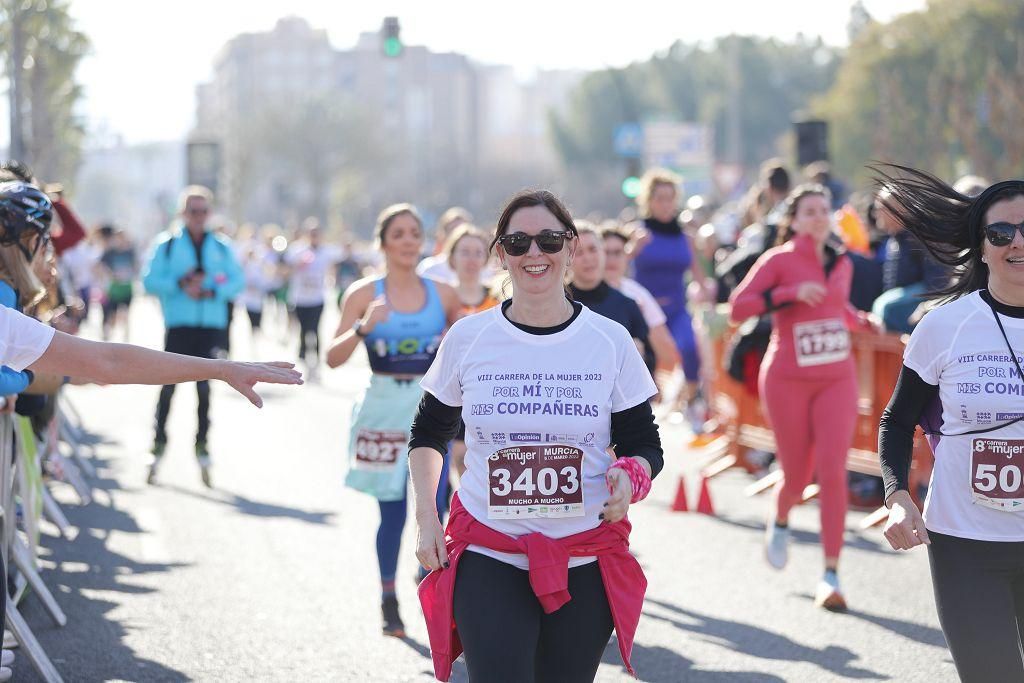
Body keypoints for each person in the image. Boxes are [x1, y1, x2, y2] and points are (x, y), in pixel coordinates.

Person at [410, 190, 662, 683]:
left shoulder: (608, 340)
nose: (534, 254)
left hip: (583, 553)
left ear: (570, 247)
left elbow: (643, 443)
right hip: (488, 547)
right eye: (518, 242)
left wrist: (631, 476)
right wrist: (425, 519)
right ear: (500, 254)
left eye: (548, 239)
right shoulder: (468, 337)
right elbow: (428, 434)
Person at [877, 167, 1024, 681]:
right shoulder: (945, 325)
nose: (1017, 243)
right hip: (965, 542)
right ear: (982, 248)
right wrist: (898, 496)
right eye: (1001, 233)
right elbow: (897, 421)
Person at [729, 184, 866, 611]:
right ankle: (782, 514)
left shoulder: (842, 260)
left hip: (836, 379)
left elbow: (834, 307)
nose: (819, 217)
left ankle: (831, 573)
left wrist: (860, 320)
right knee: (796, 474)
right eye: (809, 211)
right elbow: (737, 307)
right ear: (793, 219)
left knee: (832, 469)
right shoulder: (779, 259)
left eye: (824, 209)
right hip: (787, 378)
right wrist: (788, 295)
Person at [326, 203, 460, 639]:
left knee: (438, 504)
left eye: (414, 233)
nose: (408, 241)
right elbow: (332, 358)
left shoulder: (443, 294)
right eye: (398, 234)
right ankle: (388, 597)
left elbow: (470, 347)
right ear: (383, 242)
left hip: (431, 408)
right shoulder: (364, 293)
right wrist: (364, 327)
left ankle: (428, 580)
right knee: (394, 510)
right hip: (382, 405)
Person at [141, 185, 244, 487]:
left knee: (205, 388)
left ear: (210, 213)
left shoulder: (222, 246)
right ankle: (158, 442)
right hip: (180, 325)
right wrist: (180, 283)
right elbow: (148, 281)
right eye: (192, 211)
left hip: (211, 325)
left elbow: (238, 280)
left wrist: (213, 290)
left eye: (203, 211)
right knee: (168, 385)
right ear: (182, 213)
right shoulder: (167, 244)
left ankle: (202, 444)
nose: (198, 217)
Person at [630, 169, 712, 418]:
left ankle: (691, 399)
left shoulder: (686, 237)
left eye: (670, 198)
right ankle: (637, 415)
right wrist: (632, 249)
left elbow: (699, 275)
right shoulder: (638, 232)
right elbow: (616, 268)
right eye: (659, 198)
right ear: (648, 201)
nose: (665, 204)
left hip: (676, 308)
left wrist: (711, 296)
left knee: (689, 347)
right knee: (642, 363)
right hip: (644, 311)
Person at [440, 224, 499, 479]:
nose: (472, 259)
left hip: (488, 390)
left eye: (478, 252)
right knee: (449, 460)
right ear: (452, 257)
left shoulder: (498, 298)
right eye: (464, 252)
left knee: (471, 463)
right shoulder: (440, 298)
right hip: (448, 389)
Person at [602, 225, 680, 378]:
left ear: (627, 255)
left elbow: (669, 355)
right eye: (605, 252)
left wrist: (640, 320)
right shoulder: (574, 294)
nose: (611, 259)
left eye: (617, 253)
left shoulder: (638, 294)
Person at [568, 221, 650, 364]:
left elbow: (650, 362)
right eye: (579, 252)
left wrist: (638, 356)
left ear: (602, 252)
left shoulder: (627, 305)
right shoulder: (555, 304)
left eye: (593, 249)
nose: (588, 258)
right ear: (567, 258)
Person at [870, 187, 950, 333]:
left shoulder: (922, 237)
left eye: (880, 208)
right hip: (904, 304)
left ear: (898, 210)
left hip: (921, 309)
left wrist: (927, 306)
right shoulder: (892, 240)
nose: (875, 214)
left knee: (885, 305)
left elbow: (938, 282)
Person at [284, 220, 341, 381]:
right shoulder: (297, 250)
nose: (314, 237)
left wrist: (333, 278)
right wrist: (298, 265)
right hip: (300, 298)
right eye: (311, 233)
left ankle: (315, 361)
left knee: (315, 330)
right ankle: (303, 359)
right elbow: (285, 270)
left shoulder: (326, 252)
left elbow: (335, 264)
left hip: (317, 298)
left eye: (317, 234)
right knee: (303, 329)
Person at [98, 226, 138, 341]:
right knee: (112, 315)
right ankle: (108, 336)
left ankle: (126, 338)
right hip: (114, 289)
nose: (120, 240)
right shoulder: (110, 252)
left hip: (127, 288)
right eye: (118, 237)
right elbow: (99, 265)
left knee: (126, 313)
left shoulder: (130, 252)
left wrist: (132, 273)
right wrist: (110, 275)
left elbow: (136, 265)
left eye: (122, 237)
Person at [417, 206, 473, 284]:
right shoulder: (429, 268)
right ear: (442, 235)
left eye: (462, 232)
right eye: (452, 231)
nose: (457, 236)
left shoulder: (481, 269)